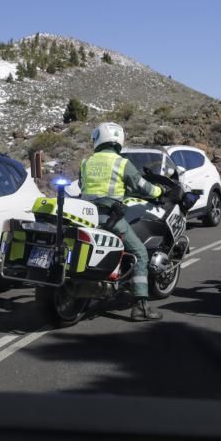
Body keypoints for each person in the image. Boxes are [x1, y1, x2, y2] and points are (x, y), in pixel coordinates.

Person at [79, 122, 165, 321]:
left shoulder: (86, 162)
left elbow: (84, 185)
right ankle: (140, 307)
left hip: (87, 216)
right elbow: (142, 186)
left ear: (98, 138)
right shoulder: (121, 163)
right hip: (111, 219)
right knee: (140, 253)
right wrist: (159, 191)